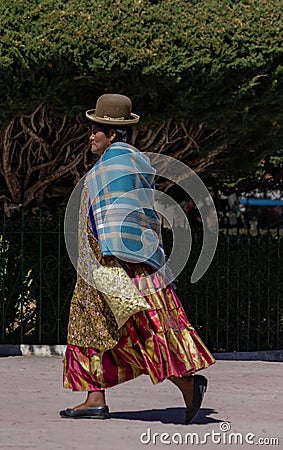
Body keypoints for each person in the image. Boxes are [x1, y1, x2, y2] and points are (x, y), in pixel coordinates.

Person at [60, 93, 215, 424]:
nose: (91, 136)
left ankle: (188, 384)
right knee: (89, 328)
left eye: (96, 131)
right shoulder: (130, 161)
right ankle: (94, 398)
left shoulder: (117, 165)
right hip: (99, 264)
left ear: (112, 134)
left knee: (139, 329)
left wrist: (109, 260)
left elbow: (118, 218)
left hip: (114, 265)